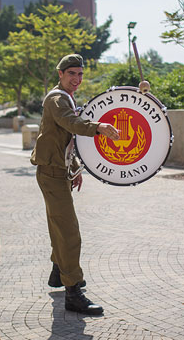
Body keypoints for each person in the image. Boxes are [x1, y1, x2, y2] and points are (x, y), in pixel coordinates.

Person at [31, 54, 120, 315]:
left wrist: (74, 168)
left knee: (59, 226)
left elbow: (64, 139)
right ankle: (73, 293)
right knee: (69, 233)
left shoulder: (65, 98)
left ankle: (59, 273)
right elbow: (71, 124)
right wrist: (99, 127)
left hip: (57, 172)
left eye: (80, 74)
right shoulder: (57, 99)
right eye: (72, 74)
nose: (77, 79)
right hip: (51, 174)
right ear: (60, 74)